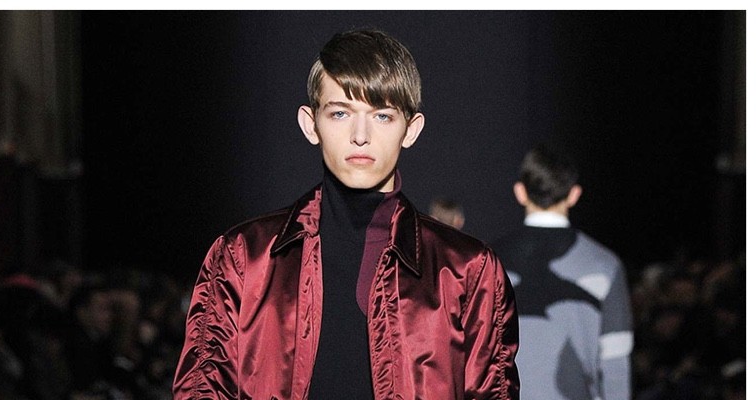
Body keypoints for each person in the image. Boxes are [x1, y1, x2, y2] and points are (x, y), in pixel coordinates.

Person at [173, 29, 520, 399]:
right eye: (340, 113)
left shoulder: (468, 271)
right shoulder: (243, 258)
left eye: (382, 116)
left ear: (411, 130)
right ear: (311, 125)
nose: (360, 135)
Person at [492, 143, 633, 400]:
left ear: (520, 192)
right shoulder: (604, 265)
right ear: (574, 194)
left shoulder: (488, 262)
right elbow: (615, 363)